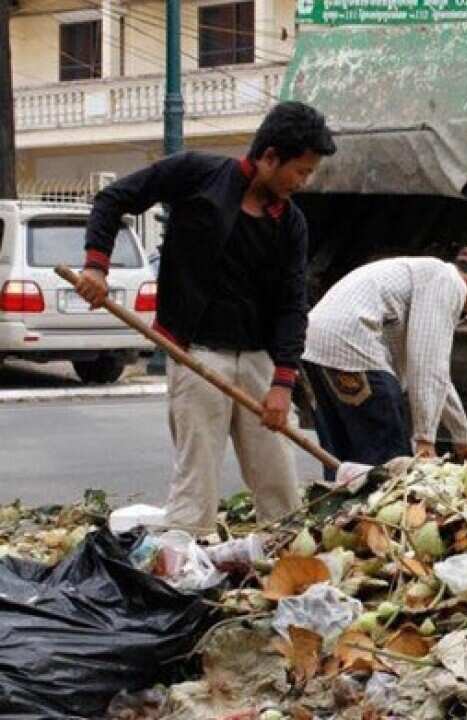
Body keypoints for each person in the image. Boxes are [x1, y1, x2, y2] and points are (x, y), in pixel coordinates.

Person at [75, 102, 336, 535]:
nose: (302, 182)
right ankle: (182, 570)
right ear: (270, 157)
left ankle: (288, 564)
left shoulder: (291, 224)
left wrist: (282, 383)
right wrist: (96, 266)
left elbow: (293, 305)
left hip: (258, 360)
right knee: (198, 484)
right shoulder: (196, 174)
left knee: (280, 486)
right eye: (300, 171)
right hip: (194, 352)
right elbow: (112, 199)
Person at [302, 248, 467, 474]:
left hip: (313, 347)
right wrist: (425, 439)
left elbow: (438, 378)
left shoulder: (425, 274)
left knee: (343, 460)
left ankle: (339, 507)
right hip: (351, 345)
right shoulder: (448, 282)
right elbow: (427, 365)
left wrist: (462, 436)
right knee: (390, 463)